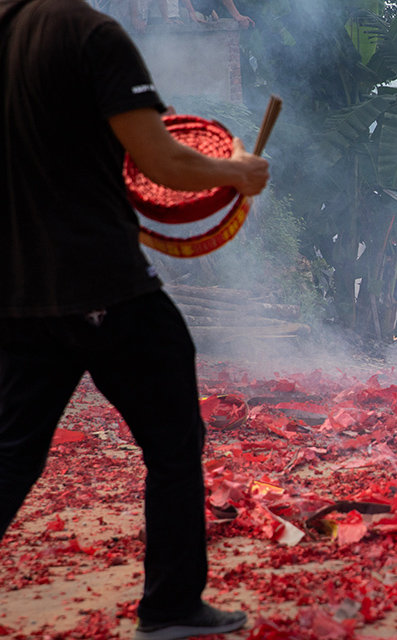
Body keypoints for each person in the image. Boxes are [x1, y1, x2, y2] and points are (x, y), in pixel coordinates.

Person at [0, 1, 269, 638]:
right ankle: (172, 607)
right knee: (174, 442)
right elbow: (162, 163)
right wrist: (239, 171)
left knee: (10, 454)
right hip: (105, 283)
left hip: (19, 289)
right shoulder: (89, 32)